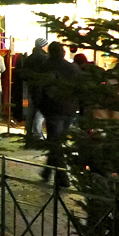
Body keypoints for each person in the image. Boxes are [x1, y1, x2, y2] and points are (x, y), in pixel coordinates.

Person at [36, 42, 80, 188]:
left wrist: (41, 106)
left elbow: (38, 90)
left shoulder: (45, 67)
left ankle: (62, 177)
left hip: (53, 109)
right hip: (69, 109)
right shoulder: (72, 68)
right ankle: (48, 172)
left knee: (55, 142)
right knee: (57, 141)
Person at [19, 37, 50, 142]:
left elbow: (24, 73)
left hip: (31, 87)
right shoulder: (44, 58)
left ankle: (29, 133)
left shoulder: (29, 58)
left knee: (31, 111)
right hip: (41, 87)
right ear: (43, 46)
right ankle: (37, 134)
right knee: (40, 112)